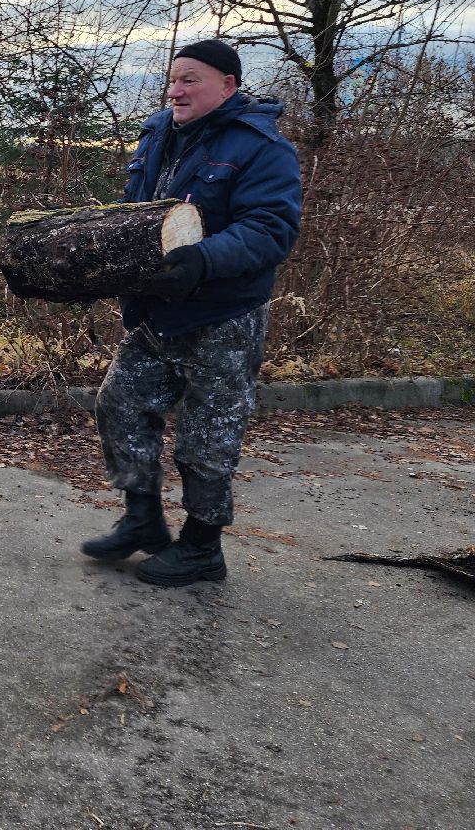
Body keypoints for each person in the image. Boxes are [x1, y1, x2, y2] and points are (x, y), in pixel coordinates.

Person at [81, 38, 301, 586]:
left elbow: (272, 228)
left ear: (228, 85)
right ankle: (143, 521)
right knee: (121, 404)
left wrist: (203, 260)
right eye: (173, 79)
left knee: (208, 435)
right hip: (158, 310)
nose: (176, 90)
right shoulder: (158, 132)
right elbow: (138, 215)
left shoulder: (261, 146)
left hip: (223, 316)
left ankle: (202, 547)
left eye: (191, 80)